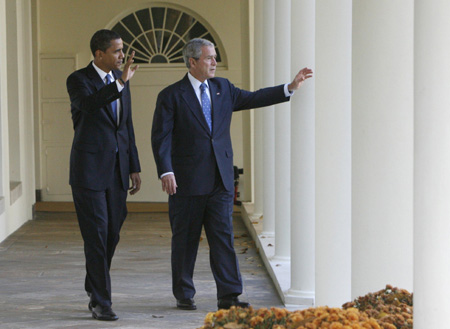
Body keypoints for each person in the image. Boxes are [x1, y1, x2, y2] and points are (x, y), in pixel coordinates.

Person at [151, 38, 313, 311]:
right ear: (192, 62)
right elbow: (161, 138)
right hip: (186, 182)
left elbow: (253, 97)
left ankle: (229, 296)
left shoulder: (222, 88)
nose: (215, 62)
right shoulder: (171, 95)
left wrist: (289, 88)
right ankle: (184, 293)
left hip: (220, 181)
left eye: (215, 57)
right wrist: (166, 170)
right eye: (209, 58)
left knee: (223, 239)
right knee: (185, 240)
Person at [66, 29, 141, 321]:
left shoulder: (122, 83)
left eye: (122, 51)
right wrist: (120, 82)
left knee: (112, 233)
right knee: (96, 235)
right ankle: (101, 301)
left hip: (118, 172)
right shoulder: (78, 80)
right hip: (88, 172)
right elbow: (89, 105)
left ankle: (93, 281)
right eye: (117, 51)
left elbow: (126, 126)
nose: (122, 56)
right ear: (99, 55)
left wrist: (133, 165)